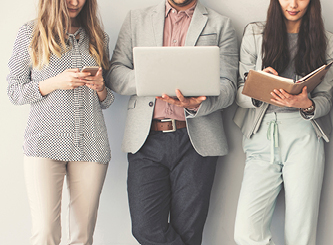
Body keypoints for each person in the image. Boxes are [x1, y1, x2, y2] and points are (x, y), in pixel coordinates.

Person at [106, 0, 238, 244]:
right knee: (145, 229)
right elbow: (115, 73)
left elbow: (229, 87)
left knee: (189, 232)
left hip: (196, 141)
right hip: (146, 139)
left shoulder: (221, 24)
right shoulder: (137, 19)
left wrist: (197, 103)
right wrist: (153, 79)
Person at [6, 0, 112, 244]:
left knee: (82, 235)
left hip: (91, 145)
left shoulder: (97, 37)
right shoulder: (31, 33)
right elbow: (14, 90)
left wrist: (101, 88)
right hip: (44, 144)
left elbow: (107, 102)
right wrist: (55, 82)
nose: (75, 2)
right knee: (45, 232)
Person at [232, 0, 333, 244]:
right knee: (246, 233)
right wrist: (258, 86)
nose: (293, 4)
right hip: (261, 135)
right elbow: (238, 93)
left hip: (304, 135)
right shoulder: (255, 33)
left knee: (301, 233)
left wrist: (307, 105)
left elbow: (326, 99)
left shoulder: (326, 39)